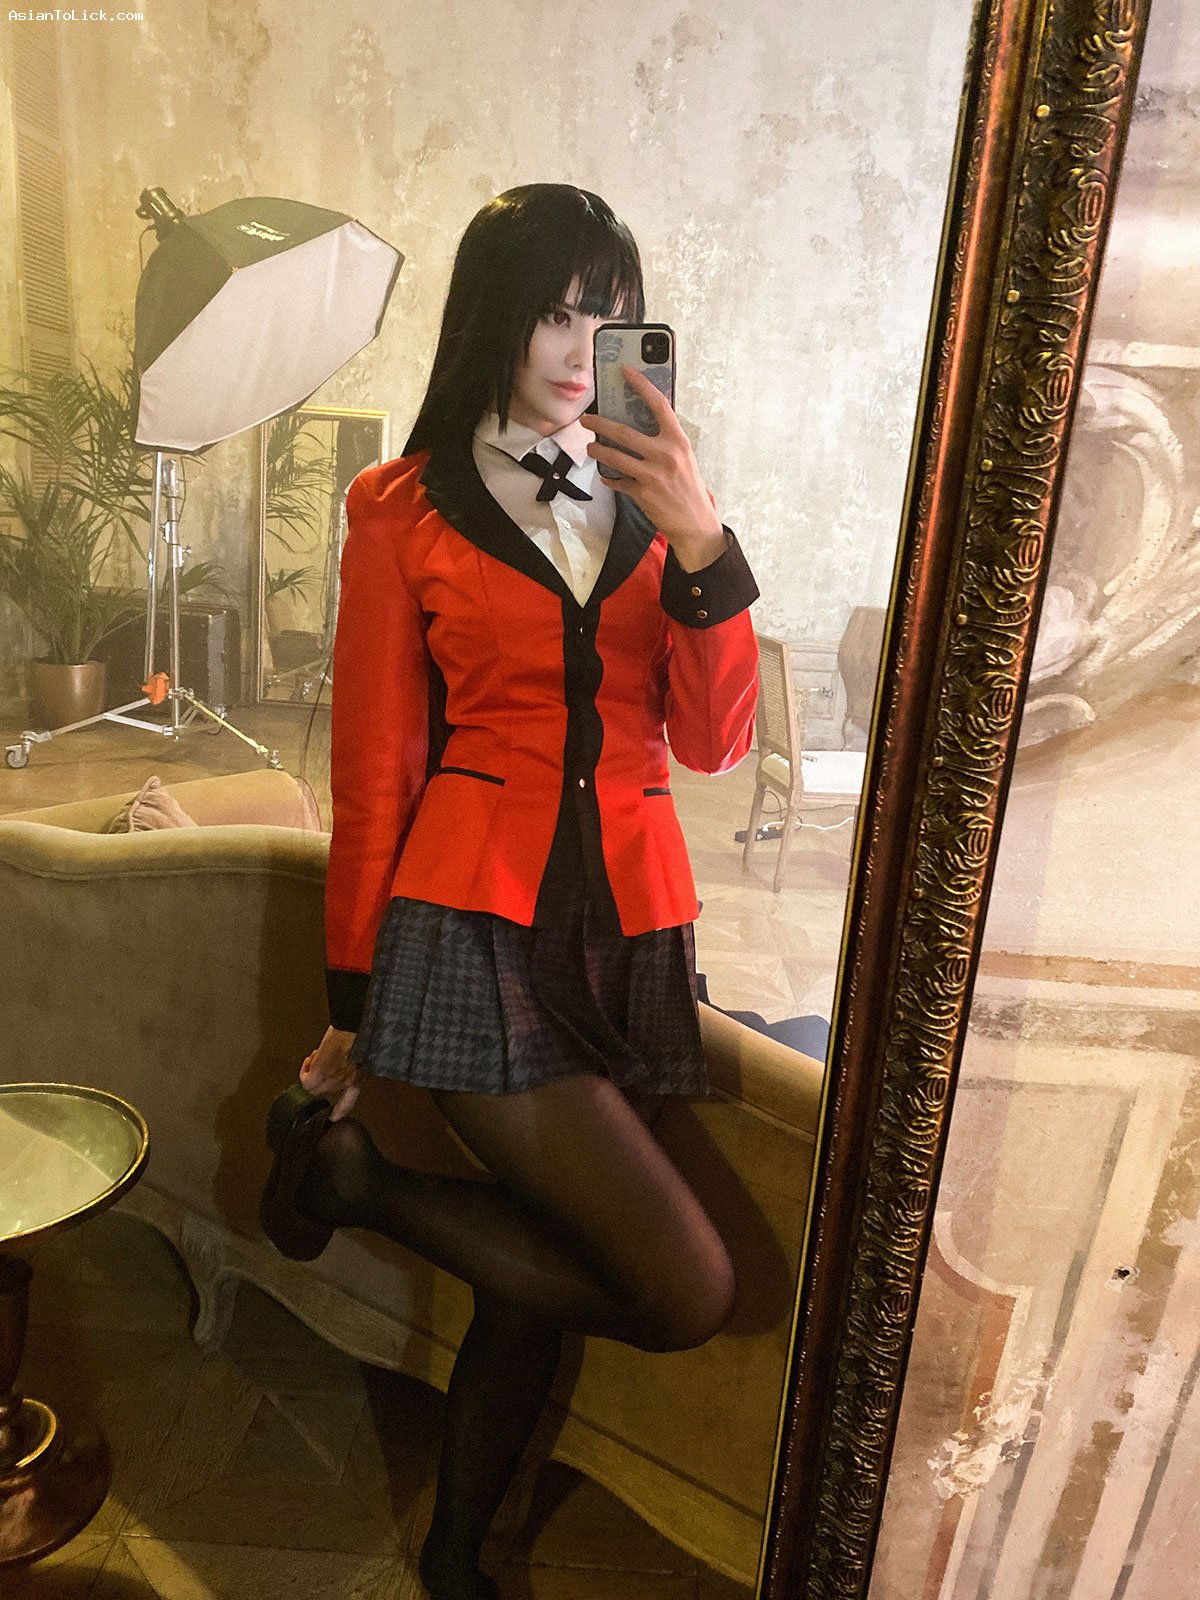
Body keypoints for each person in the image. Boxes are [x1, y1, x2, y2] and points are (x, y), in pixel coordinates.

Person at [259, 183, 761, 1600]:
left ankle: (455, 1555)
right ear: (492, 314)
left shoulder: (663, 501)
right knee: (686, 1288)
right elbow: (376, 772)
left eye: (609, 316)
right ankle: (357, 1183)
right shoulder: (399, 507)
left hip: (634, 929)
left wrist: (704, 543)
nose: (580, 347)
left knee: (537, 1263)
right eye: (552, 310)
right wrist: (352, 1003)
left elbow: (714, 744)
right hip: (470, 922)